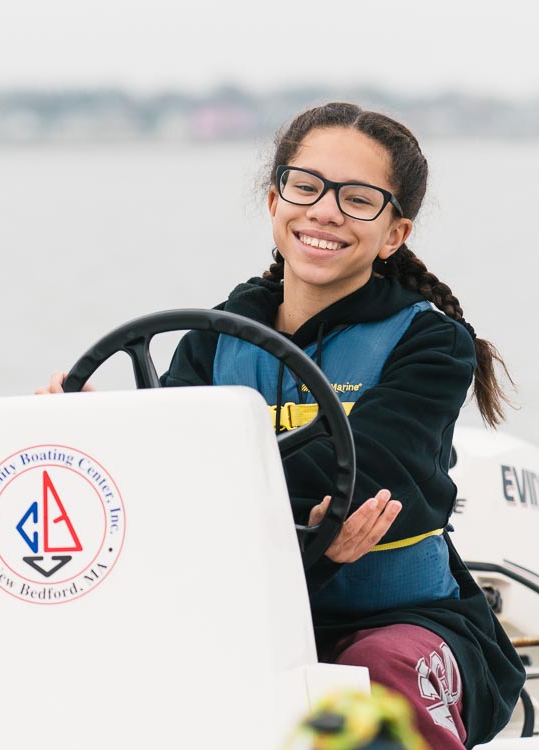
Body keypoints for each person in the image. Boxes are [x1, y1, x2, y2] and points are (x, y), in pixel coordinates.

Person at [37, 102, 525, 749]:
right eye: (307, 186)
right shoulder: (212, 342)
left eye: (358, 198)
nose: (324, 210)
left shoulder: (433, 344)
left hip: (401, 620)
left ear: (394, 234)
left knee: (378, 675)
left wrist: (195, 479)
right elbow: (160, 479)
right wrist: (102, 438)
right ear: (275, 202)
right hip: (238, 617)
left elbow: (372, 473)